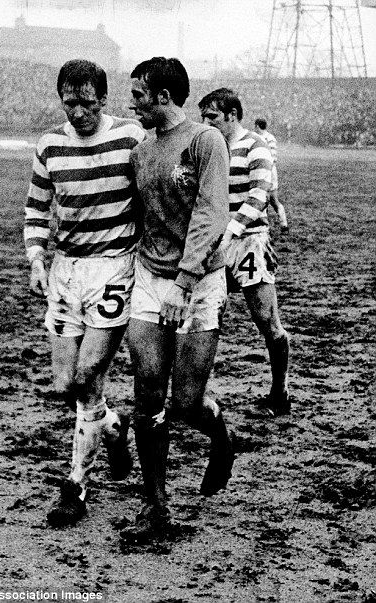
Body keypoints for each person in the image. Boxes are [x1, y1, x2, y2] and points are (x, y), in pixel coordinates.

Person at [24, 59, 145, 527]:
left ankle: (76, 487)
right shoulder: (49, 145)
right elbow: (36, 211)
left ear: (104, 99)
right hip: (65, 270)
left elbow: (153, 196)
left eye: (87, 103)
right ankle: (113, 429)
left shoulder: (131, 138)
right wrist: (37, 259)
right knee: (67, 385)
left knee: (88, 372)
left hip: (114, 268)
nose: (77, 113)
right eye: (69, 103)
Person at [121, 57, 234, 543]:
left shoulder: (205, 141)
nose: (132, 105)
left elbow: (211, 213)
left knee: (186, 403)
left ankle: (223, 440)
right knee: (147, 393)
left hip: (200, 280)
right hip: (151, 277)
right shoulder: (142, 150)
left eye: (139, 96)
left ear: (163, 97)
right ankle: (156, 505)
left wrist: (186, 281)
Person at [199, 88, 290, 418]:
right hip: (217, 243)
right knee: (206, 320)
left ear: (232, 115)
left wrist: (231, 232)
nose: (206, 122)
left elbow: (258, 196)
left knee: (267, 321)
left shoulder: (255, 144)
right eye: (203, 117)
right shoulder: (210, 147)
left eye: (212, 117)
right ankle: (199, 396)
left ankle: (279, 392)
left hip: (249, 240)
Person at [254, 118, 288, 231]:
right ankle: (272, 225)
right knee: (266, 199)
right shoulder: (263, 137)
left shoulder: (268, 138)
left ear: (257, 126)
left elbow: (272, 159)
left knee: (270, 199)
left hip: (267, 171)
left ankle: (283, 224)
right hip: (266, 171)